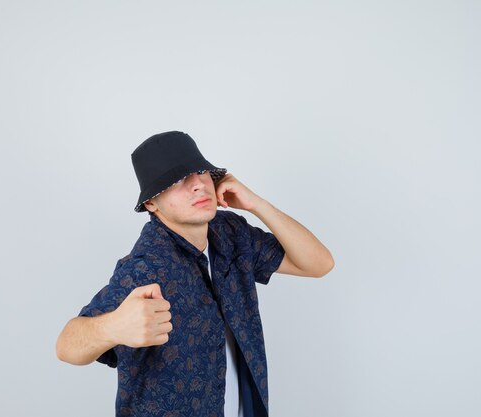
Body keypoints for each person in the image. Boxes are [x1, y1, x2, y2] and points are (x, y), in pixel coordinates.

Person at [56, 130, 334, 417]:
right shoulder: (147, 267)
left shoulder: (229, 233)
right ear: (152, 204)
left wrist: (255, 204)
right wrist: (113, 326)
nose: (197, 185)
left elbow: (317, 263)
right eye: (176, 181)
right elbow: (66, 345)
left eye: (201, 171)